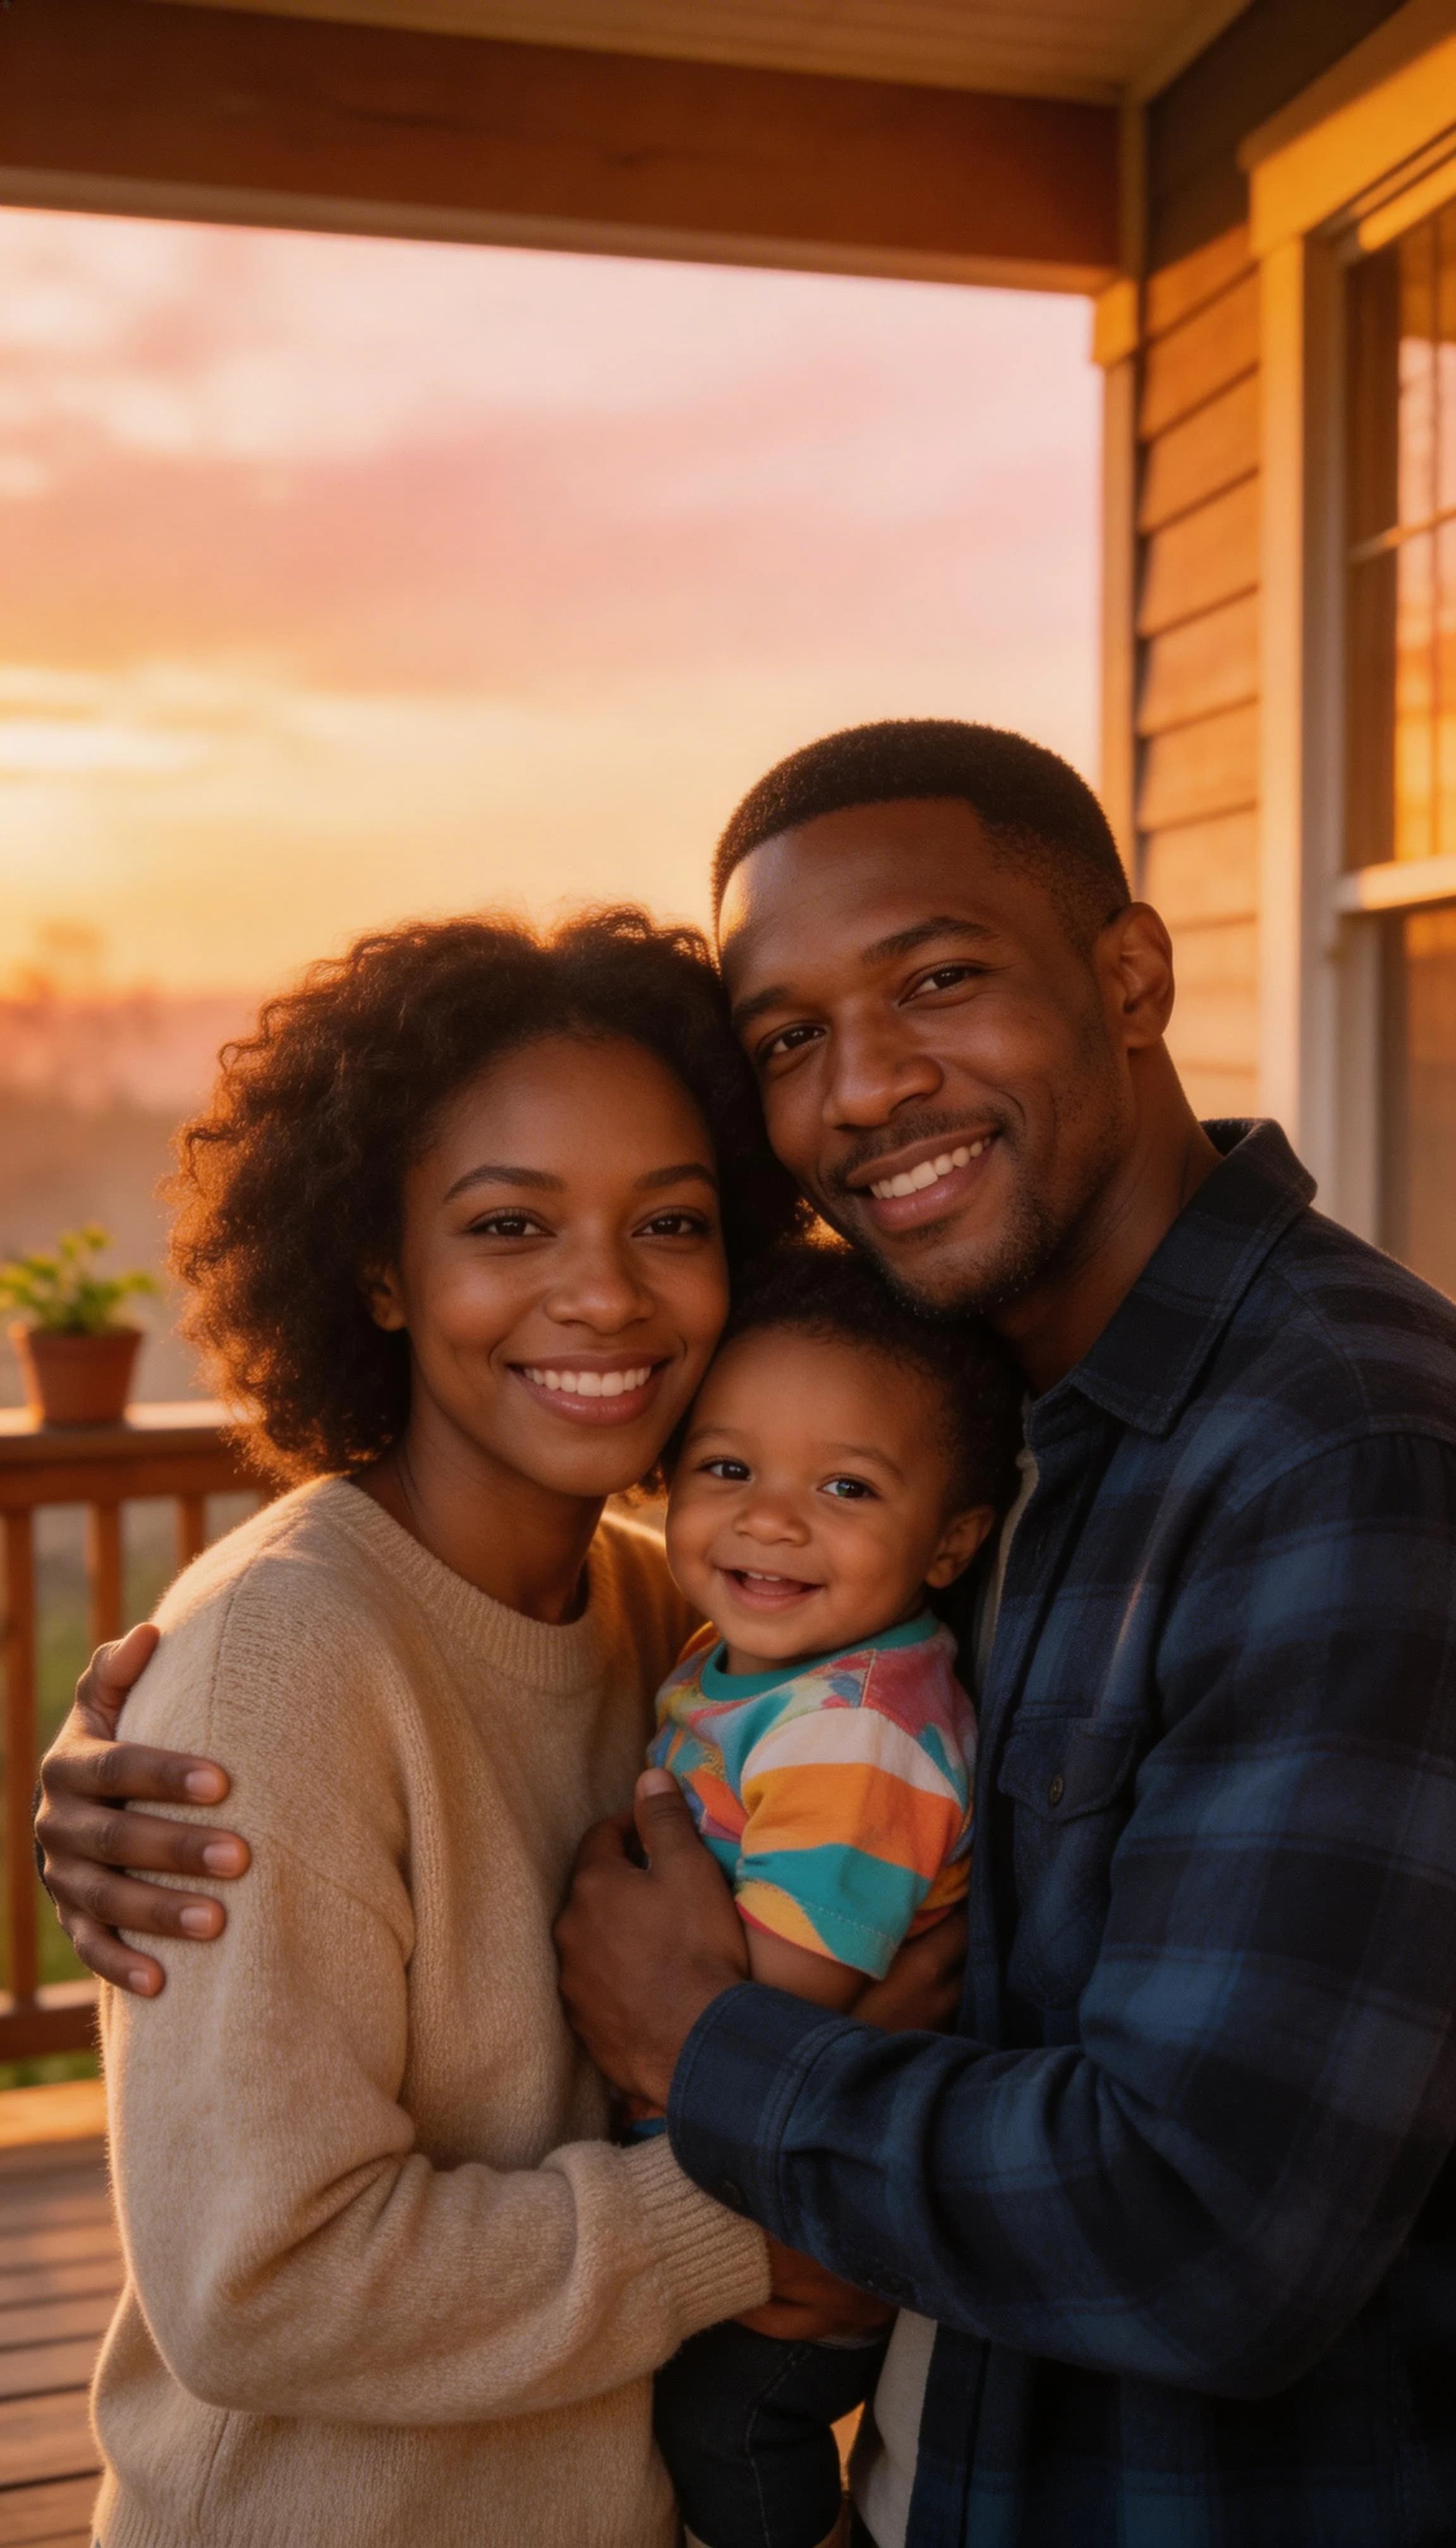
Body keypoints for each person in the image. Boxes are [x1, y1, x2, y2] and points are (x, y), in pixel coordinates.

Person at [39, 718, 1456, 2544]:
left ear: (1131, 975)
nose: (864, 1089)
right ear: (378, 1267)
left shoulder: (1325, 1448)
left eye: (936, 979)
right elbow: (262, 2260)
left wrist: (712, 2064)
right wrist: (152, 1752)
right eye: (790, 1039)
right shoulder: (959, 1479)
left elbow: (1217, 2225)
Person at [74, 904, 851, 2548]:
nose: (608, 1298)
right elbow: (256, 2286)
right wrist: (759, 2216)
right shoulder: (282, 1658)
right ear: (378, 1265)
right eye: (510, 1227)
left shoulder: (677, 1625)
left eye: (673, 1221)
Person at [641, 1245, 1022, 2548]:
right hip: (757, 2193)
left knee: (729, 2433)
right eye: (728, 1468)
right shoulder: (762, 1658)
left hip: (808, 2239)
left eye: (846, 1486)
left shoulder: (855, 1731)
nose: (771, 1519)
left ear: (952, 1541)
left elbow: (776, 2010)